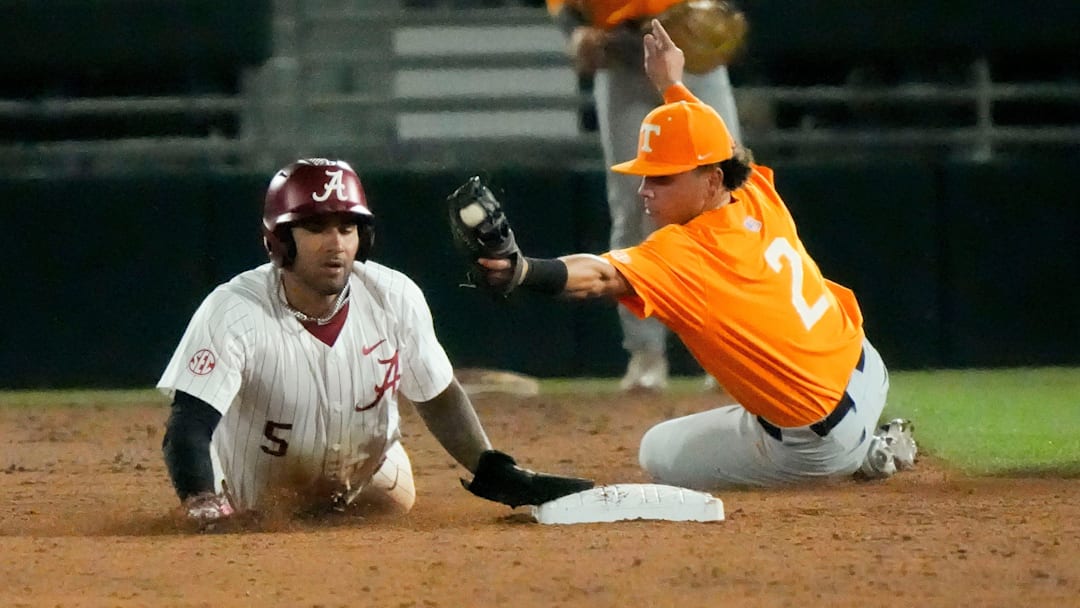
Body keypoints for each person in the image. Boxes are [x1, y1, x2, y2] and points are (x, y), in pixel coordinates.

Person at [470, 21, 915, 487]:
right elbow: (711, 139)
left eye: (662, 179)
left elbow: (600, 276)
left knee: (658, 450)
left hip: (821, 439)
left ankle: (858, 458)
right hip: (867, 371)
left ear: (711, 182)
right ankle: (865, 445)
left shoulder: (683, 254)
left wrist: (524, 271)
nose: (644, 190)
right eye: (645, 176)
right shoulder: (753, 191)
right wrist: (672, 84)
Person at [157, 158, 592, 523]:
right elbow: (189, 423)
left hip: (373, 485)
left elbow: (438, 396)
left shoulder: (393, 295)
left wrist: (493, 469)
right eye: (316, 228)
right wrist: (201, 500)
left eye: (347, 228)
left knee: (395, 502)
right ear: (279, 241)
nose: (336, 244)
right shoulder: (233, 310)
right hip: (261, 504)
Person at [547, 0, 743, 391]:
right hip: (621, 59)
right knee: (637, 206)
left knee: (723, 199)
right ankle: (646, 355)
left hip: (691, 51)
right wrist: (575, 33)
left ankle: (730, 350)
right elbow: (565, 6)